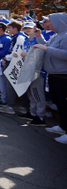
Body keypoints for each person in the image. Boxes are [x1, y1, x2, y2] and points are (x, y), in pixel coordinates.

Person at [33, 14, 67, 144]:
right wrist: (38, 36)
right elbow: (47, 47)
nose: (46, 23)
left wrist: (46, 48)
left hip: (63, 76)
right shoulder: (57, 35)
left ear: (58, 22)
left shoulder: (66, 36)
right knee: (59, 103)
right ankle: (63, 126)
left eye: (48, 21)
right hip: (54, 75)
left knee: (64, 104)